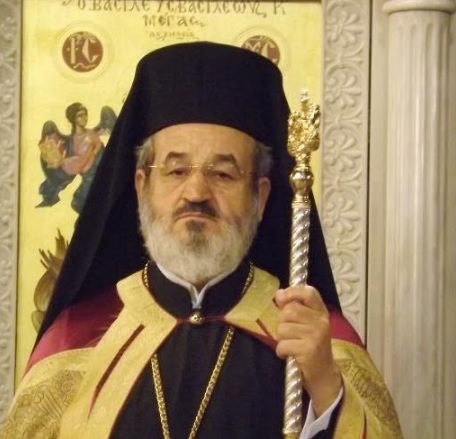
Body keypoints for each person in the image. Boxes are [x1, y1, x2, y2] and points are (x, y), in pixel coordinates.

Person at [1, 42, 403, 438]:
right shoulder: (78, 340)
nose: (195, 193)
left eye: (223, 174)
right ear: (141, 187)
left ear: (261, 196)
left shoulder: (315, 343)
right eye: (176, 171)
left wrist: (327, 392)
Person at [37, 102, 116, 213]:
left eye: (85, 114)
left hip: (99, 173)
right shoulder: (73, 140)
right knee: (79, 203)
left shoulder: (90, 134)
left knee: (83, 203)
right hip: (90, 177)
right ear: (73, 119)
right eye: (80, 115)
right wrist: (60, 161)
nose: (84, 118)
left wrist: (95, 151)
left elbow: (96, 148)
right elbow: (80, 161)